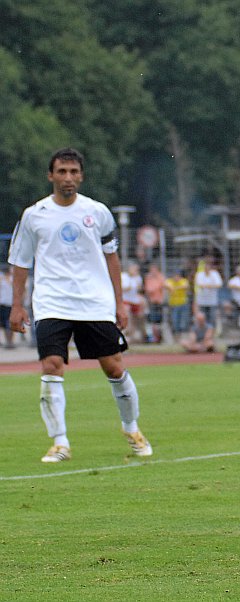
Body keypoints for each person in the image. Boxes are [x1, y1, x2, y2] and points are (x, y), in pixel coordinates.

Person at [7, 147, 152, 463]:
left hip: (94, 302)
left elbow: (111, 257)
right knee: (51, 366)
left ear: (81, 176)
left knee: (114, 367)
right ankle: (60, 442)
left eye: (73, 172)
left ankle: (132, 428)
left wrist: (119, 303)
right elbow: (20, 262)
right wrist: (17, 306)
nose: (68, 178)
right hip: (51, 302)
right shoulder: (34, 215)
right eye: (62, 171)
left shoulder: (98, 212)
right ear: (51, 175)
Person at [121, 261, 147, 344]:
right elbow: (125, 288)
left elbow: (139, 289)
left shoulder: (137, 277)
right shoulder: (124, 276)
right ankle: (125, 335)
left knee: (138, 317)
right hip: (126, 300)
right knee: (128, 316)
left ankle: (138, 335)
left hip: (134, 301)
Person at [194, 259, 222, 329]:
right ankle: (203, 330)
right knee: (202, 316)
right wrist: (211, 285)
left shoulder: (215, 274)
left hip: (212, 300)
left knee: (212, 317)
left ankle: (211, 331)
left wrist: (208, 286)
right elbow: (200, 284)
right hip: (202, 300)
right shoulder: (199, 274)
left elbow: (219, 284)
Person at [143, 263, 166, 343]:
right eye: (152, 269)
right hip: (151, 302)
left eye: (154, 269)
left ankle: (160, 338)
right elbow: (148, 289)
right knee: (151, 321)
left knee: (160, 321)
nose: (153, 271)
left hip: (159, 302)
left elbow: (162, 286)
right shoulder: (148, 278)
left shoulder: (160, 277)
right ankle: (152, 338)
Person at [165, 269, 191, 336]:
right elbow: (167, 285)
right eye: (175, 276)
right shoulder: (169, 281)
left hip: (183, 304)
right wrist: (173, 288)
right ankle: (176, 335)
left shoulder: (183, 281)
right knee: (174, 321)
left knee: (183, 321)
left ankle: (182, 334)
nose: (176, 277)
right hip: (173, 305)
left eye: (178, 276)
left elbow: (186, 286)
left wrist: (176, 288)